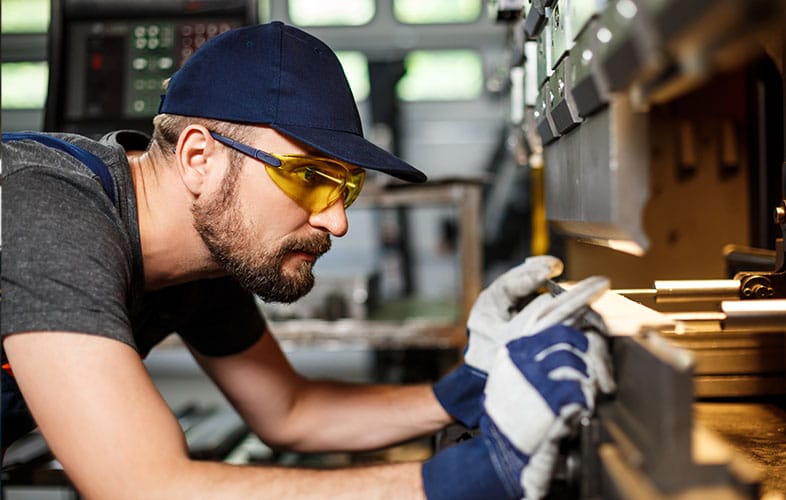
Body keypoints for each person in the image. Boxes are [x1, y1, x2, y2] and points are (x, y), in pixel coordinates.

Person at [2, 21, 613, 499]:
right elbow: (145, 486)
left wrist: (466, 389)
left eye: (346, 188)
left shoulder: (201, 260)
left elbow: (291, 412)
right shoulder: (46, 211)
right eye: (311, 178)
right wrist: (475, 478)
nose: (337, 220)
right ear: (198, 158)